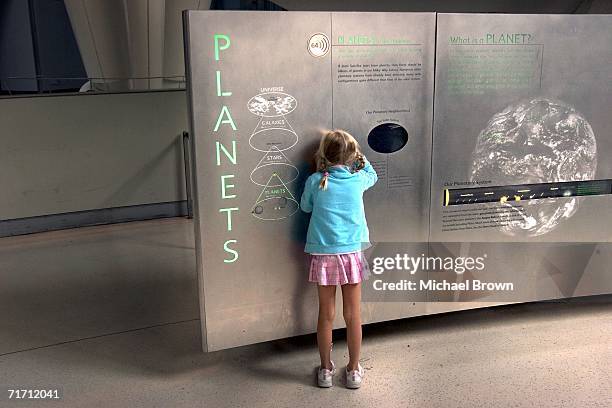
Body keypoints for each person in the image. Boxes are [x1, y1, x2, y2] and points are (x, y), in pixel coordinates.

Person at [300, 129, 378, 389]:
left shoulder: (315, 181)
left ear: (323, 155)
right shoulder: (358, 180)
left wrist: (320, 166)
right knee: (353, 315)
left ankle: (325, 370)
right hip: (351, 256)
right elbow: (373, 174)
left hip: (324, 256)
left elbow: (305, 207)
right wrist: (359, 155)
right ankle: (354, 370)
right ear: (351, 156)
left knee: (326, 315)